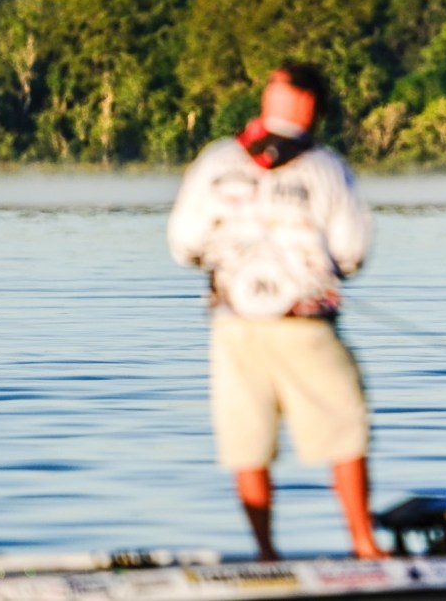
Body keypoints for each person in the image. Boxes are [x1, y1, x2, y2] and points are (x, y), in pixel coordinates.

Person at [167, 60, 386, 561]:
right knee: (345, 433)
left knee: (247, 442)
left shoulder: (216, 160)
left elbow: (184, 244)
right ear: (310, 105)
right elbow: (351, 253)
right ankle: (364, 546)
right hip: (304, 326)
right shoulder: (326, 166)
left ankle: (266, 555)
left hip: (234, 327)